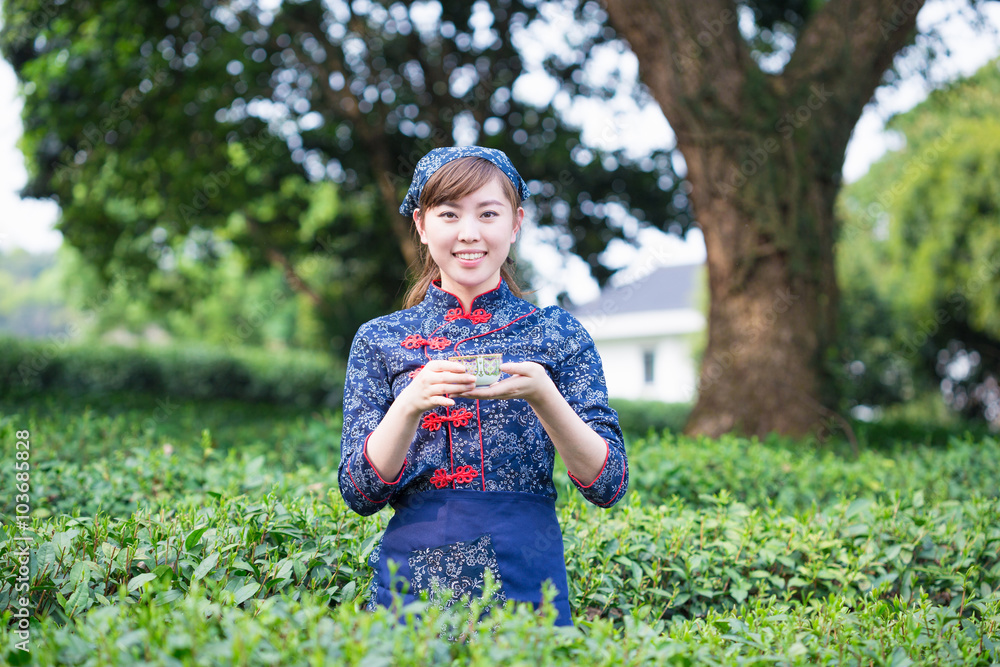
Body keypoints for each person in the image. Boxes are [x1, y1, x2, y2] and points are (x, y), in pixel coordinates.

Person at [338, 145, 628, 627]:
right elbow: (359, 493)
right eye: (449, 214)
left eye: (488, 213)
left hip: (528, 580)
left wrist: (544, 396)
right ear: (421, 225)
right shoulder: (379, 340)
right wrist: (409, 403)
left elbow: (608, 483)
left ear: (515, 223)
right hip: (412, 582)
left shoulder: (557, 334)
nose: (469, 233)